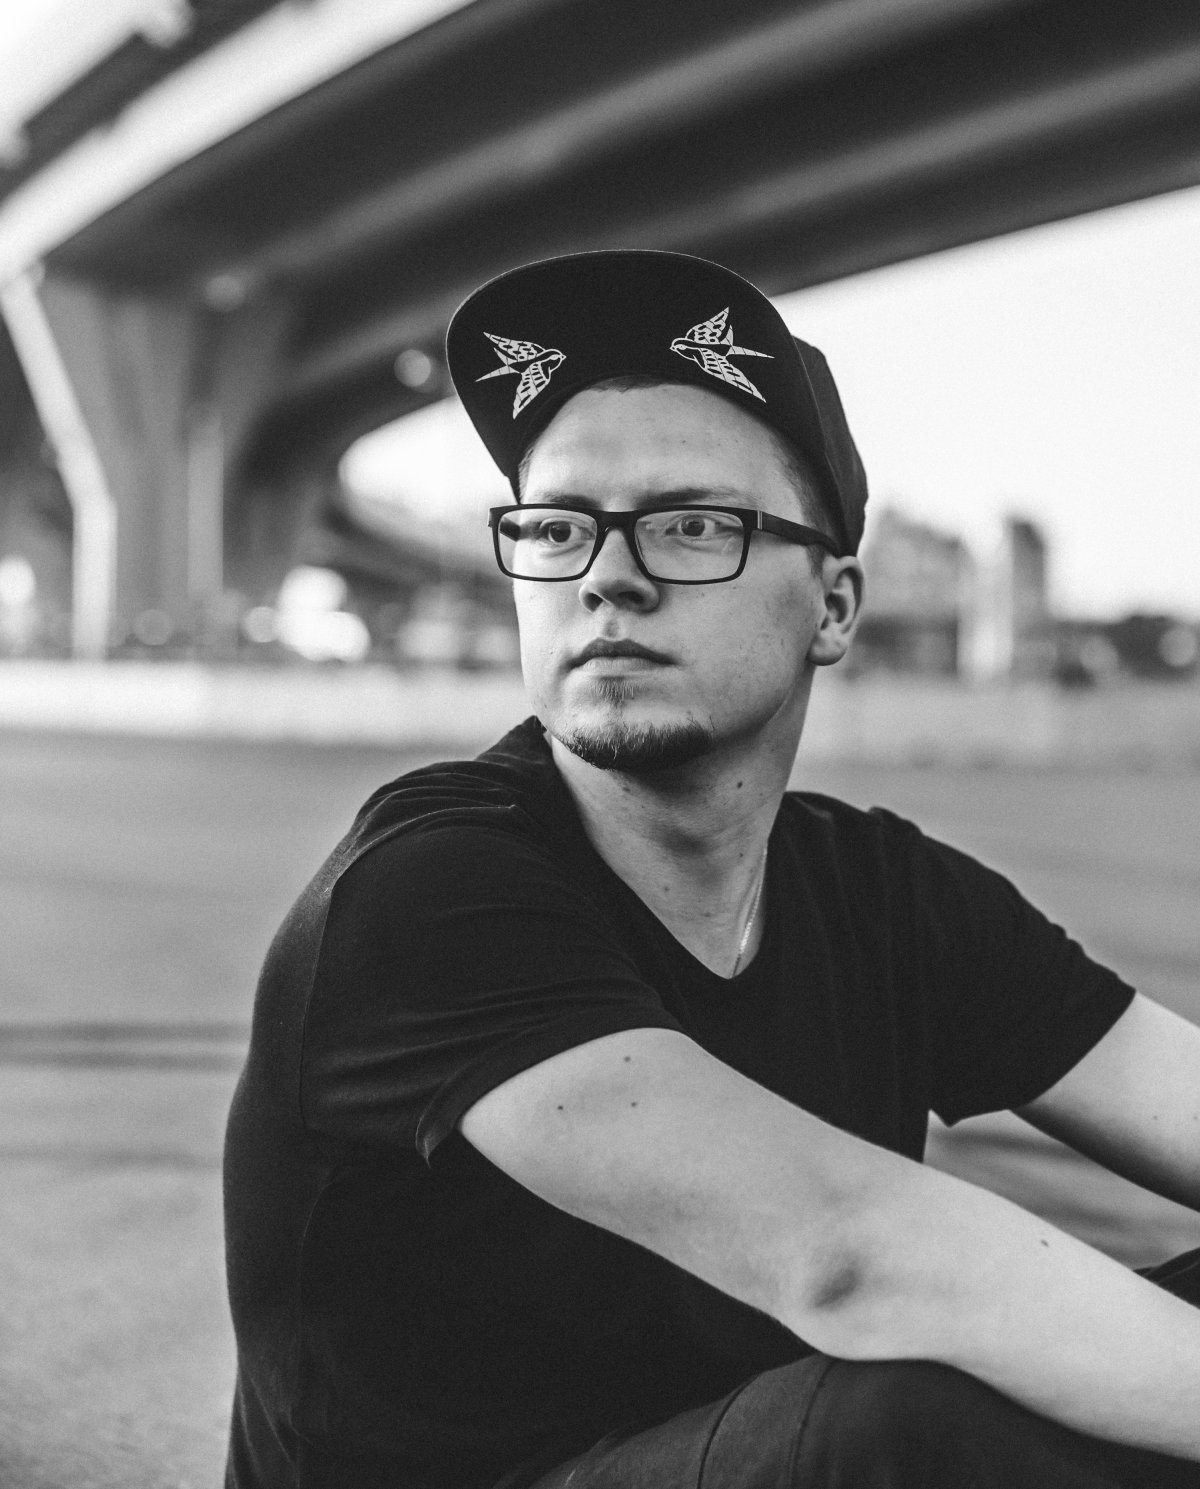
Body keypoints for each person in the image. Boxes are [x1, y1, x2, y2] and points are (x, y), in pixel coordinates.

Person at [223, 250, 1200, 1489]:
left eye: (693, 525)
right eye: (558, 526)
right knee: (908, 1411)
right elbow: (846, 1257)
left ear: (833, 606)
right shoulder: (428, 887)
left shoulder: (884, 894)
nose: (607, 576)